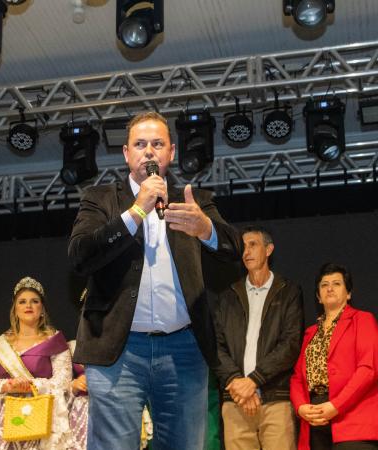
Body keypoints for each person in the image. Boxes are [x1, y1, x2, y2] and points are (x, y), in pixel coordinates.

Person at [67, 111, 242, 450]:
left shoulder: (193, 200)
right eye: (140, 144)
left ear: (171, 152)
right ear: (126, 153)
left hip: (183, 349)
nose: (149, 151)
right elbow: (80, 256)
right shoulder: (100, 199)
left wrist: (205, 228)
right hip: (118, 351)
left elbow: (235, 248)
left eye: (158, 144)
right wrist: (136, 212)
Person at [215, 226, 304, 450]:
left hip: (275, 399)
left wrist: (253, 380)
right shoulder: (227, 297)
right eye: (243, 247)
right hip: (236, 401)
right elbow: (216, 346)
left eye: (253, 245)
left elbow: (290, 345)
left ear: (269, 249)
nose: (246, 252)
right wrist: (237, 382)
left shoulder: (288, 291)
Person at [290, 263, 378, 450]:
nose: (329, 288)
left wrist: (336, 405)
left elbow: (368, 370)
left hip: (354, 417)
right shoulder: (310, 333)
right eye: (324, 285)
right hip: (314, 420)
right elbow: (297, 377)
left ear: (349, 293)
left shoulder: (363, 320)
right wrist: (301, 407)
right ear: (318, 297)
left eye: (336, 284)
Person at [0, 276, 72, 450]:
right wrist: (7, 386)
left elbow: (63, 382)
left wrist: (30, 385)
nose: (28, 305)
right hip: (2, 421)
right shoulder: (0, 345)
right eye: (22, 302)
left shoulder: (55, 341)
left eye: (34, 301)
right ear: (15, 309)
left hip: (41, 418)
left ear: (42, 309)